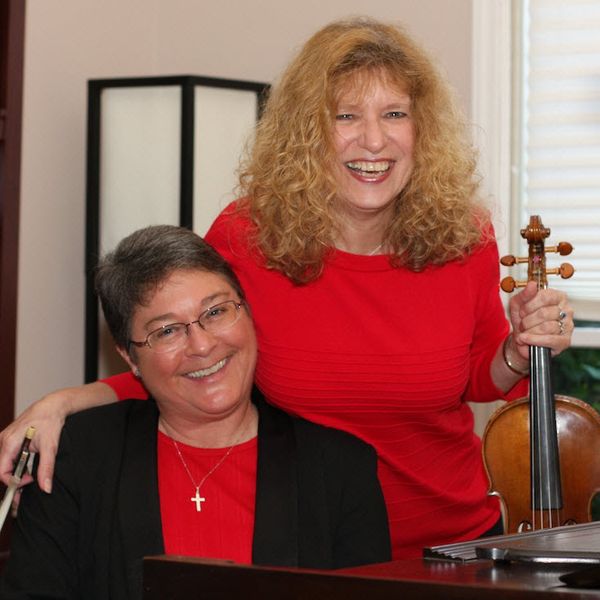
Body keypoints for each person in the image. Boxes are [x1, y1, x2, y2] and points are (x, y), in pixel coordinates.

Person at [0, 17, 573, 560]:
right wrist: (61, 403)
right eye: (346, 116)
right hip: (308, 546)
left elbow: (476, 374)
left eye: (395, 114)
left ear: (421, 130)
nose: (374, 141)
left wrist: (516, 351)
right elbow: (191, 361)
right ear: (307, 132)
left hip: (450, 544)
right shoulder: (248, 236)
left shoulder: (464, 235)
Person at [0, 225, 391, 598]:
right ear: (130, 358)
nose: (202, 346)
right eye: (167, 331)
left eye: (216, 312)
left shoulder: (339, 469)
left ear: (248, 312)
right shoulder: (73, 458)